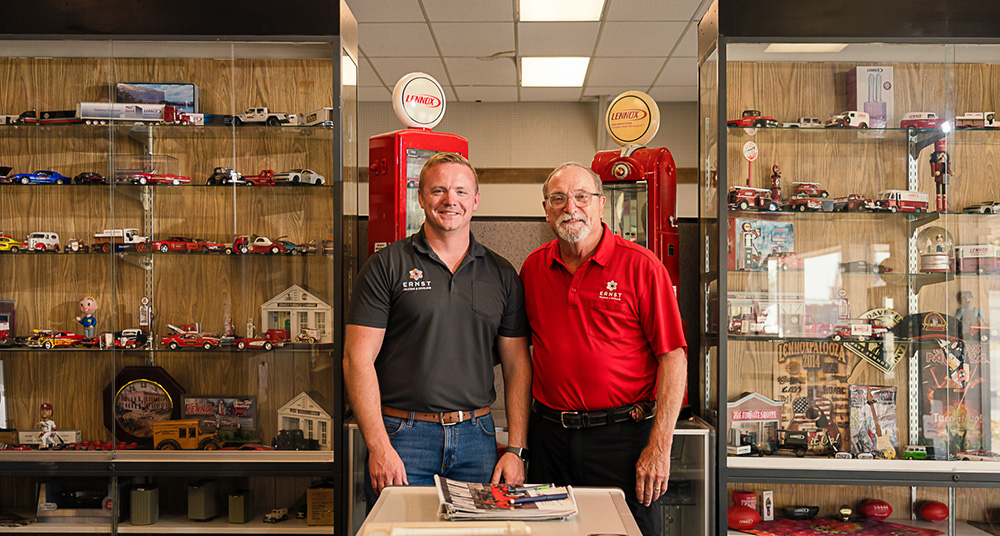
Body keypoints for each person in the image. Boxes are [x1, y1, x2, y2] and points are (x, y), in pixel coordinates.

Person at [344, 152, 532, 506]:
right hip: (403, 438)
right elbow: (357, 359)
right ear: (421, 196)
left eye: (461, 191)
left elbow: (517, 365)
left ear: (476, 200)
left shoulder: (502, 273)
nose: (450, 201)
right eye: (439, 190)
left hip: (478, 440)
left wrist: (516, 449)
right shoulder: (386, 266)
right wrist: (379, 445)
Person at [520, 162, 687, 536]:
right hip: (550, 439)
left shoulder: (642, 267)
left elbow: (673, 358)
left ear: (600, 204)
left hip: (623, 441)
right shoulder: (533, 269)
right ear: (546, 209)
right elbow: (518, 356)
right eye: (558, 198)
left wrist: (659, 446)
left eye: (581, 197)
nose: (570, 207)